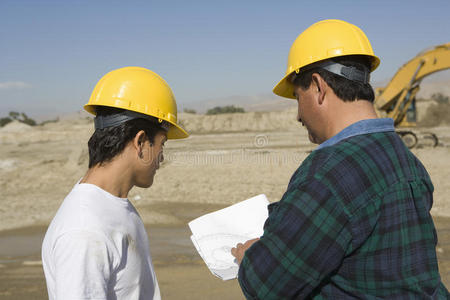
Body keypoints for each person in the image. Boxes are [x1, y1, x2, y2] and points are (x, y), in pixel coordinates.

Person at [231, 19, 448, 299]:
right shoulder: (404, 158)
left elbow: (267, 287)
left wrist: (249, 258)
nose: (299, 115)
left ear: (318, 86)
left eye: (298, 97)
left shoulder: (329, 173)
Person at [42, 67, 188, 299]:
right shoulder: (84, 231)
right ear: (141, 141)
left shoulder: (112, 205)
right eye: (162, 145)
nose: (162, 157)